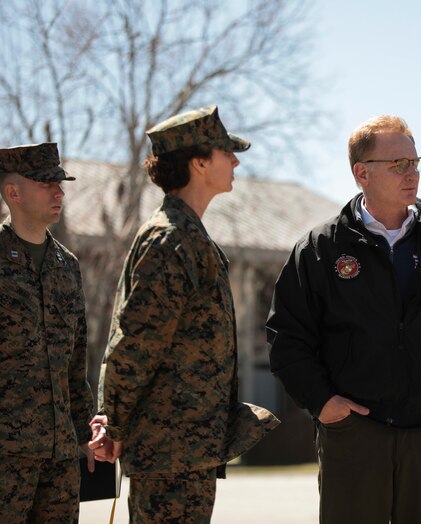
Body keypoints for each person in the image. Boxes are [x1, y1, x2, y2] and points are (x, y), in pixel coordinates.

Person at [266, 115, 421, 524]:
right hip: (353, 433)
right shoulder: (321, 247)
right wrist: (322, 402)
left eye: (415, 162)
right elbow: (287, 337)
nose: (412, 174)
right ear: (362, 173)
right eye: (398, 165)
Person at [88, 106, 278, 522]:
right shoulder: (171, 238)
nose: (236, 161)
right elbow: (135, 343)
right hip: (168, 451)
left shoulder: (189, 234)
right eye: (226, 152)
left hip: (185, 449)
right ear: (199, 162)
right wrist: (114, 423)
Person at [0, 143, 94, 523]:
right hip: (6, 456)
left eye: (60, 183)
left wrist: (85, 431)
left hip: (61, 458)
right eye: (46, 183)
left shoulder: (66, 265)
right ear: (13, 193)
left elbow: (76, 362)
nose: (59, 192)